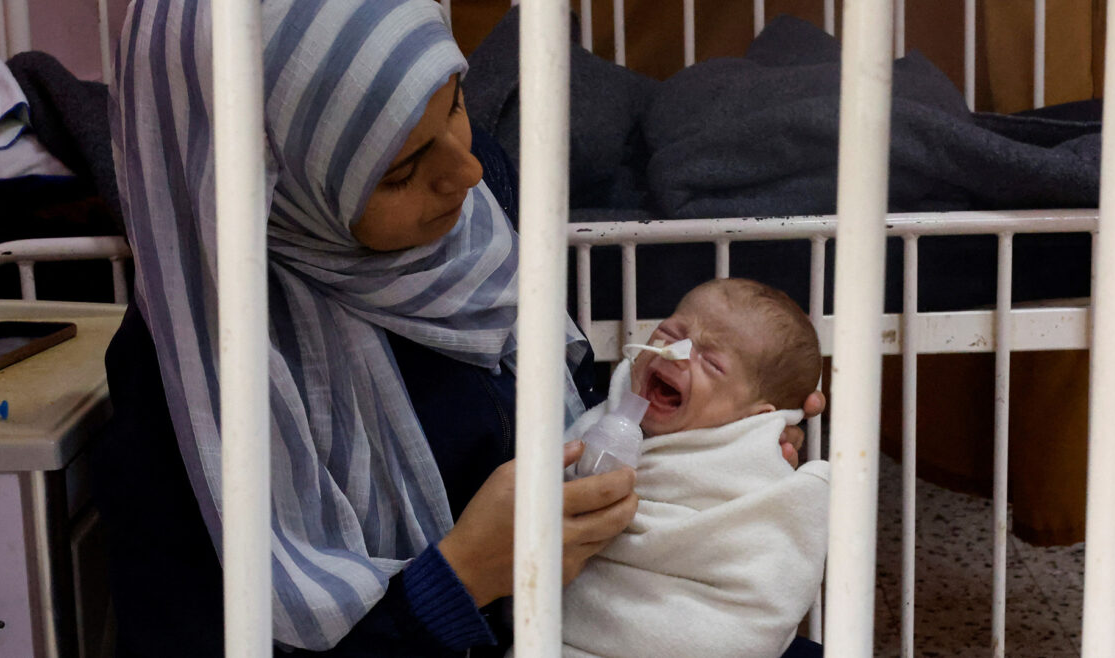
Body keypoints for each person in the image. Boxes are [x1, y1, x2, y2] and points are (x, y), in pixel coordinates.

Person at [92, 1, 823, 655]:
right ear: (269, 186)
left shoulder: (477, 201)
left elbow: (557, 406)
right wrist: (461, 576)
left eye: (455, 102)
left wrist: (720, 443)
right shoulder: (192, 391)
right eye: (399, 169)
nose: (467, 171)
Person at [560, 278, 828, 657]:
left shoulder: (748, 464)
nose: (677, 353)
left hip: (694, 625)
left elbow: (764, 564)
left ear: (754, 415)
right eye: (670, 333)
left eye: (713, 363)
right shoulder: (609, 411)